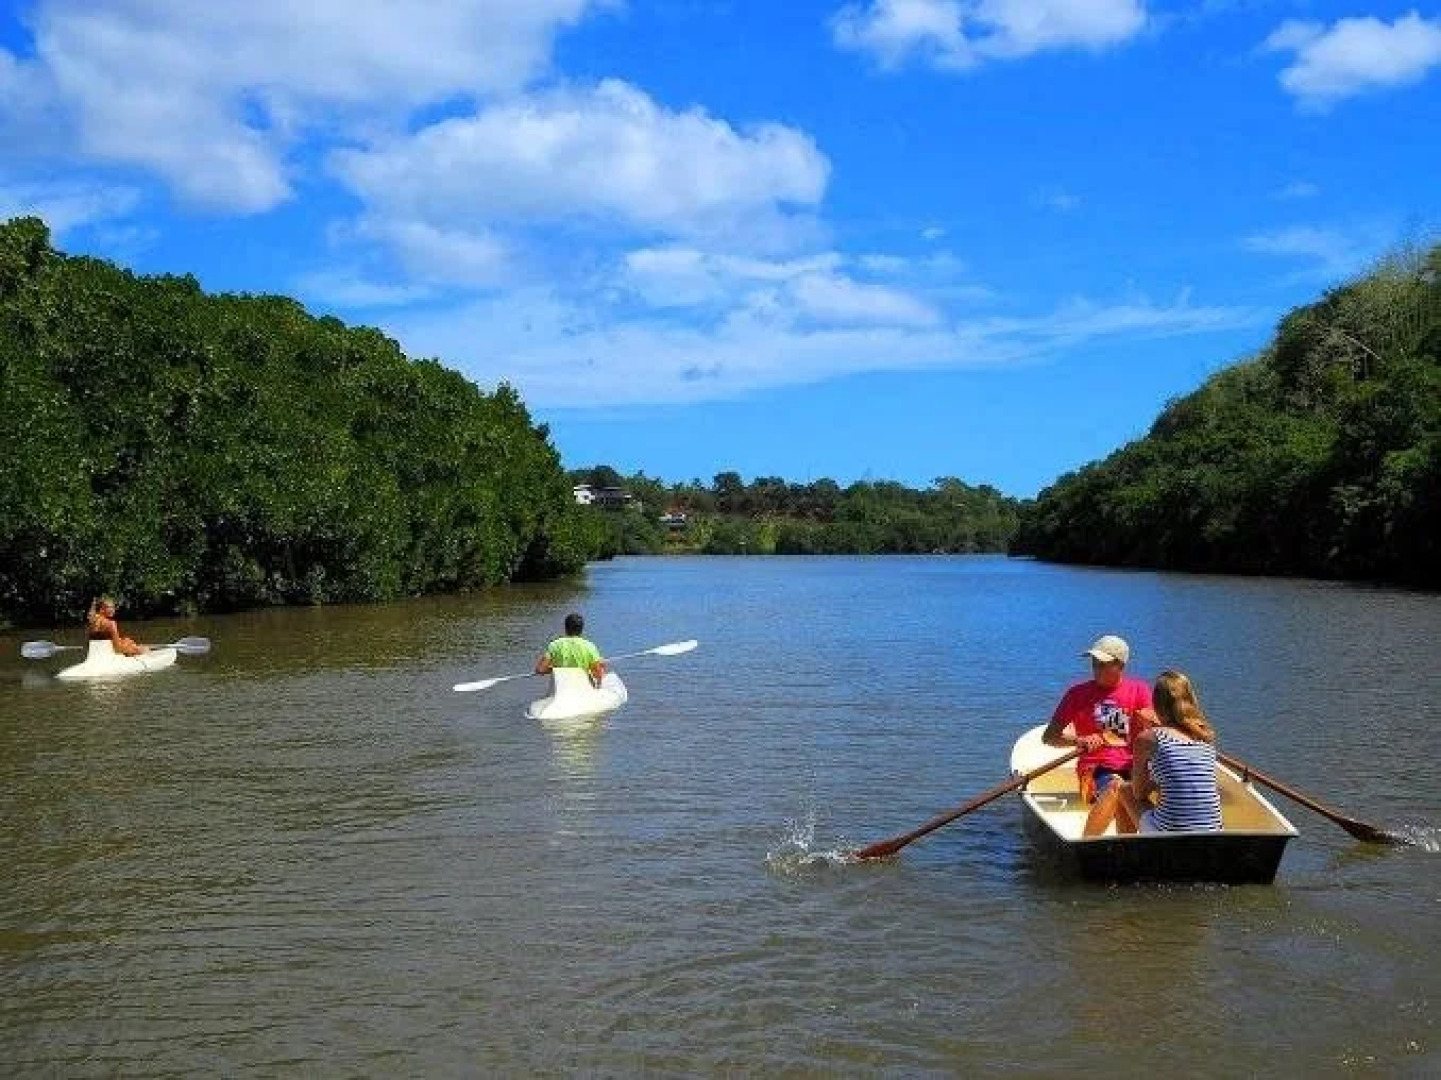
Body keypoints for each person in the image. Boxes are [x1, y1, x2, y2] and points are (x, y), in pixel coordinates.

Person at [1083, 670, 1222, 836]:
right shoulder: (1205, 737)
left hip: (1168, 834)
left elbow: (1139, 794)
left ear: (1156, 705)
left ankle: (1112, 849)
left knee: (1120, 788)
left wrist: (1153, 778)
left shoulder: (1149, 737)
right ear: (1191, 700)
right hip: (1214, 833)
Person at [1042, 633, 1157, 806]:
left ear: (1120, 665)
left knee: (1162, 789)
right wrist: (1079, 740)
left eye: (1103, 664)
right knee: (1117, 790)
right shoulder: (1076, 694)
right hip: (1095, 770)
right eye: (1094, 662)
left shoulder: (1139, 690)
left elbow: (1153, 735)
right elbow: (1049, 737)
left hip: (1134, 766)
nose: (1096, 667)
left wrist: (1154, 723)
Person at [535, 612, 605, 687]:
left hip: (561, 689)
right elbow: (598, 674)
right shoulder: (590, 646)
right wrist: (600, 667)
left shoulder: (554, 645)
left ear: (565, 628)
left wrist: (555, 669)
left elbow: (540, 670)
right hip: (584, 689)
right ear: (581, 629)